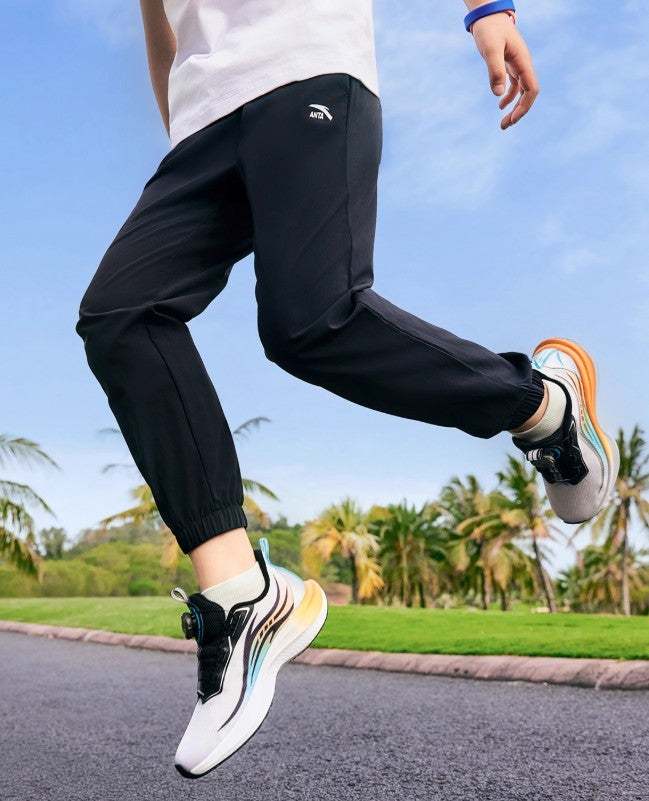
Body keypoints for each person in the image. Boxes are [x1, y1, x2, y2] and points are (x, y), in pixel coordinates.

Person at [75, 0, 619, 778]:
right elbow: (158, 19)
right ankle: (239, 595)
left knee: (312, 321)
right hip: (202, 127)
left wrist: (485, 10)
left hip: (304, 69)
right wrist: (183, 129)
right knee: (120, 316)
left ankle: (541, 406)